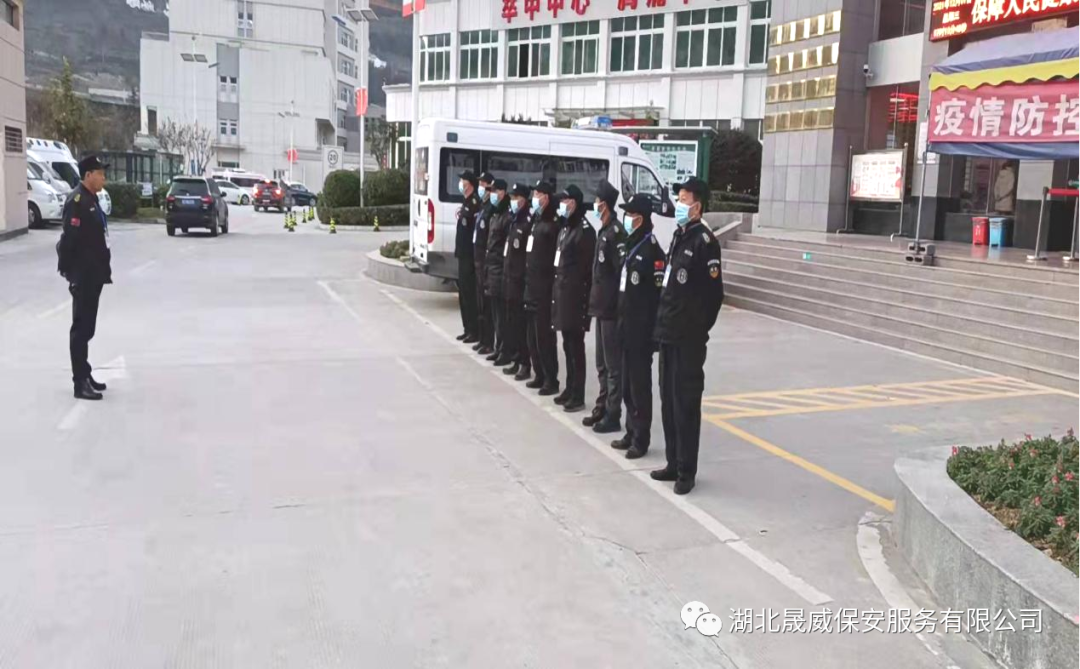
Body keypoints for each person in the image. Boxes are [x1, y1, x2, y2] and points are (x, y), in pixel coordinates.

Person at [651, 177, 724, 495]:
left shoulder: (705, 243)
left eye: (684, 199)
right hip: (668, 334)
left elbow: (713, 297)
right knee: (668, 402)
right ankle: (672, 461)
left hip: (688, 341)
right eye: (678, 198)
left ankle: (686, 471)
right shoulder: (679, 236)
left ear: (697, 207)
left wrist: (696, 331)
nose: (679, 204)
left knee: (685, 406)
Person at [611, 194, 665, 460]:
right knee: (626, 386)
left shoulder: (652, 252)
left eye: (631, 215)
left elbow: (655, 298)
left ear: (641, 218)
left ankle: (641, 438)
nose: (627, 218)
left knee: (639, 387)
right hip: (625, 326)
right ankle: (630, 431)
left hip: (641, 332)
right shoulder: (631, 244)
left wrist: (652, 334)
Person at [57, 156, 113, 401]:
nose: (103, 178)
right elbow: (70, 240)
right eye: (100, 173)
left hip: (94, 273)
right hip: (84, 275)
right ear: (88, 175)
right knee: (81, 329)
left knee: (88, 328)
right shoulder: (77, 201)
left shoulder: (91, 199)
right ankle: (79, 382)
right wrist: (72, 274)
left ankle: (85, 373)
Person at [585, 179, 627, 430]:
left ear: (606, 204)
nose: (595, 204)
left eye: (598, 201)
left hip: (611, 310)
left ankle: (613, 414)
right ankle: (601, 407)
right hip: (600, 308)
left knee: (613, 366)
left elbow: (620, 274)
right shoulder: (603, 230)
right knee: (601, 364)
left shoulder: (616, 234)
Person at [551, 184, 596, 406]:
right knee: (567, 344)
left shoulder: (584, 231)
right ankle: (569, 388)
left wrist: (584, 300)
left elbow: (587, 270)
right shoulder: (566, 227)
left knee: (576, 346)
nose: (561, 204)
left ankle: (577, 394)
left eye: (565, 200)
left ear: (574, 203)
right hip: (563, 294)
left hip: (576, 296)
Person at [522, 180, 559, 391]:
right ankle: (539, 373)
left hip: (544, 288)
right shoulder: (536, 220)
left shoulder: (552, 224)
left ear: (546, 197)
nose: (534, 198)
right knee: (532, 336)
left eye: (538, 194)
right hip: (531, 285)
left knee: (544, 336)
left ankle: (550, 378)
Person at [502, 183, 533, 378]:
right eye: (512, 197)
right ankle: (515, 358)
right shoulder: (514, 219)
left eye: (515, 197)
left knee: (521, 326)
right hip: (509, 279)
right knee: (511, 323)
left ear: (523, 199)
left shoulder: (527, 221)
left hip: (520, 281)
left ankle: (524, 363)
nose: (512, 201)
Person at [484, 178, 512, 365]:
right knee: (495, 314)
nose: (492, 194)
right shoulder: (495, 214)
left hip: (500, 270)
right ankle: (498, 347)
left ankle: (505, 351)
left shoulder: (507, 216)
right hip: (491, 268)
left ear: (502, 192)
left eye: (495, 191)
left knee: (502, 316)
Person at [454, 170, 483, 344]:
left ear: (470, 184)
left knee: (470, 295)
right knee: (463, 294)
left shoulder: (474, 203)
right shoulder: (466, 201)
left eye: (463, 180)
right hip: (462, 254)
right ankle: (467, 329)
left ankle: (474, 330)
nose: (461, 183)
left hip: (469, 256)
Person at [472, 171, 496, 356]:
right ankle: (482, 339)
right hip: (478, 260)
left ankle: (488, 341)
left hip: (485, 261)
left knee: (487, 306)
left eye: (483, 185)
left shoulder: (491, 210)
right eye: (479, 184)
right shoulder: (482, 206)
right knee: (480, 303)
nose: (480, 188)